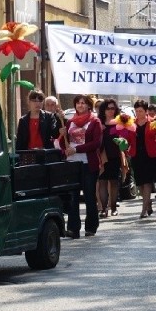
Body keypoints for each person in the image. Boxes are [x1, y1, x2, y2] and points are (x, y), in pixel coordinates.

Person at [61, 94, 103, 238]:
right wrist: (62, 135)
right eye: (78, 103)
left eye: (83, 103)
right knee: (72, 196)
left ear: (88, 106)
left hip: (88, 163)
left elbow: (96, 143)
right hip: (72, 163)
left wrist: (77, 149)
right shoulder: (69, 122)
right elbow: (64, 144)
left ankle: (91, 227)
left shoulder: (95, 121)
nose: (80, 105)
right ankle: (73, 228)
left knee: (89, 196)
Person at [128, 99, 156, 218]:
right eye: (137, 111)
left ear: (146, 111)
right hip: (136, 155)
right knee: (140, 183)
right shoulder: (131, 123)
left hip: (150, 156)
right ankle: (147, 202)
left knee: (148, 182)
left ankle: (143, 210)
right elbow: (127, 139)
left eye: (141, 111)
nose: (138, 113)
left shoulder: (153, 122)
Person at [97, 98, 126, 217]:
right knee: (102, 181)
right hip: (101, 155)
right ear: (103, 110)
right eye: (108, 108)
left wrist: (123, 140)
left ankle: (113, 207)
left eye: (113, 108)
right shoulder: (98, 122)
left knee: (114, 182)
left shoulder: (120, 122)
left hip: (115, 154)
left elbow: (126, 137)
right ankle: (103, 209)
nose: (110, 111)